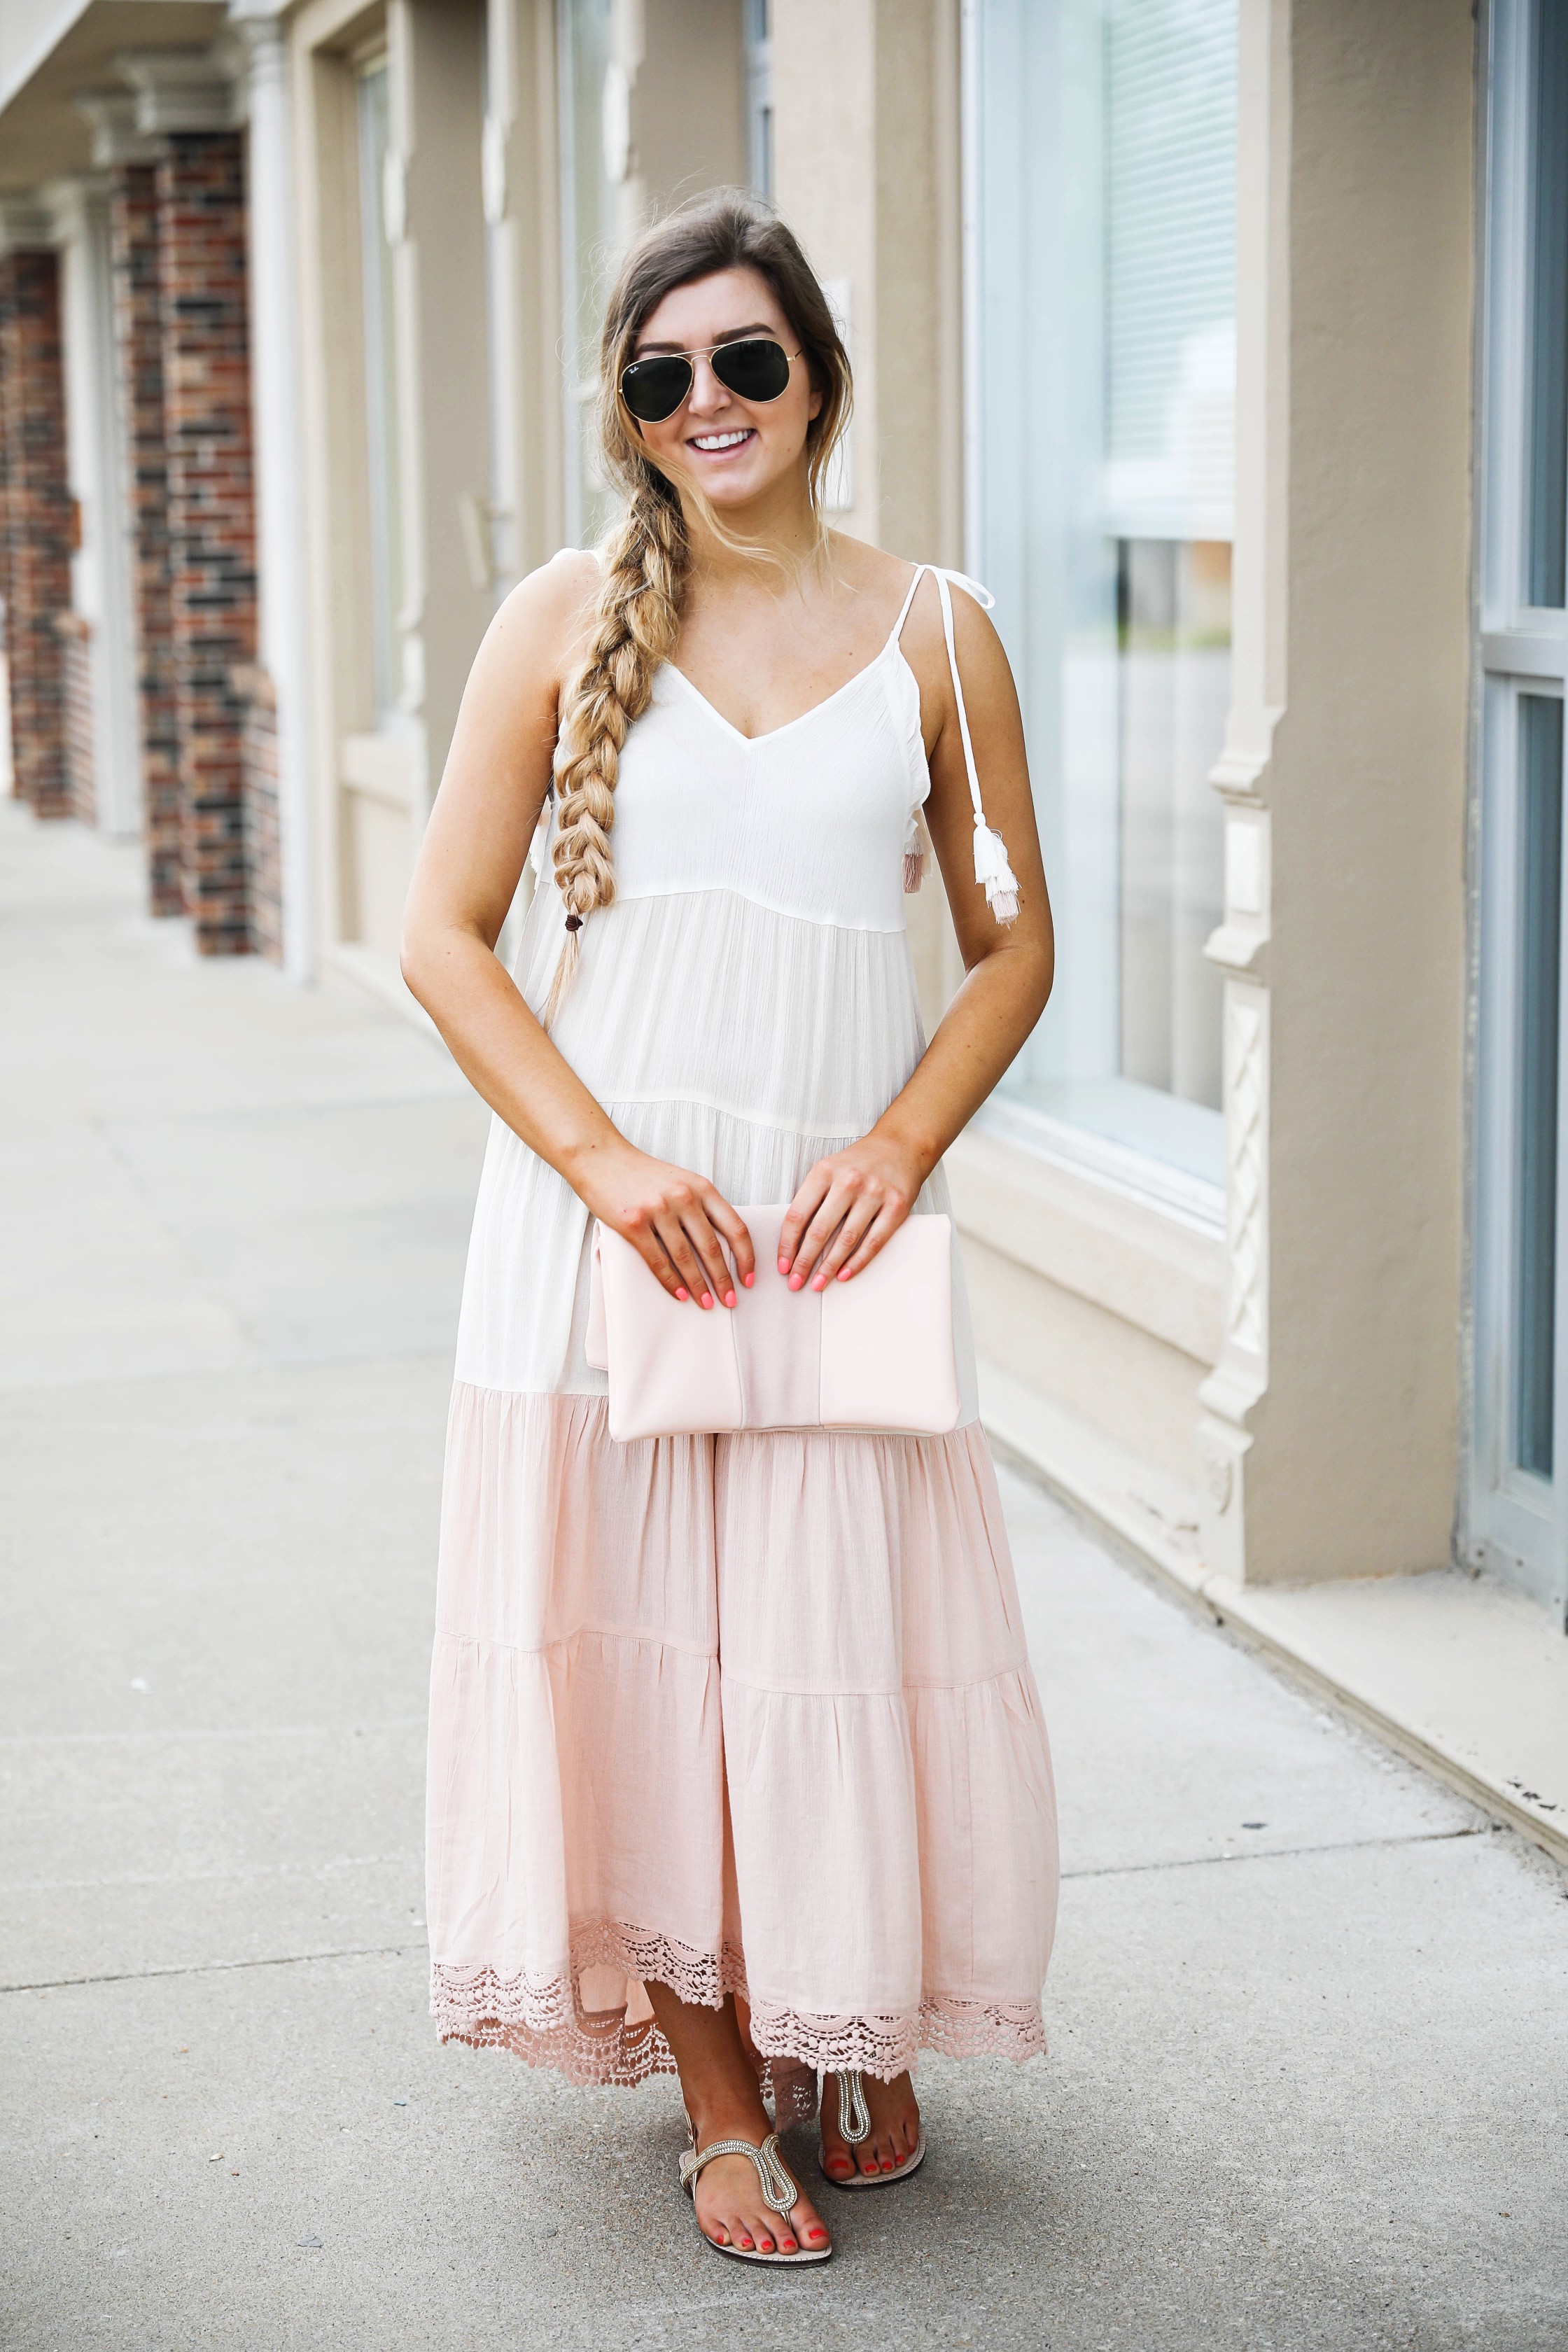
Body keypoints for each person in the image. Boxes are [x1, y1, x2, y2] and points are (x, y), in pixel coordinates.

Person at [401, 189, 1059, 2269]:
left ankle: (853, 2007)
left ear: (820, 378)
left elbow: (1011, 947)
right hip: (618, 1233)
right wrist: (606, 1167)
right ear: (628, 405)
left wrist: (902, 1137)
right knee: (655, 1668)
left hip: (831, 1239)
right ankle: (716, 2091)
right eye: (663, 372)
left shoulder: (941, 633)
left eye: (747, 360)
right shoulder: (556, 618)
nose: (710, 401)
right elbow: (442, 940)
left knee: (829, 1643)